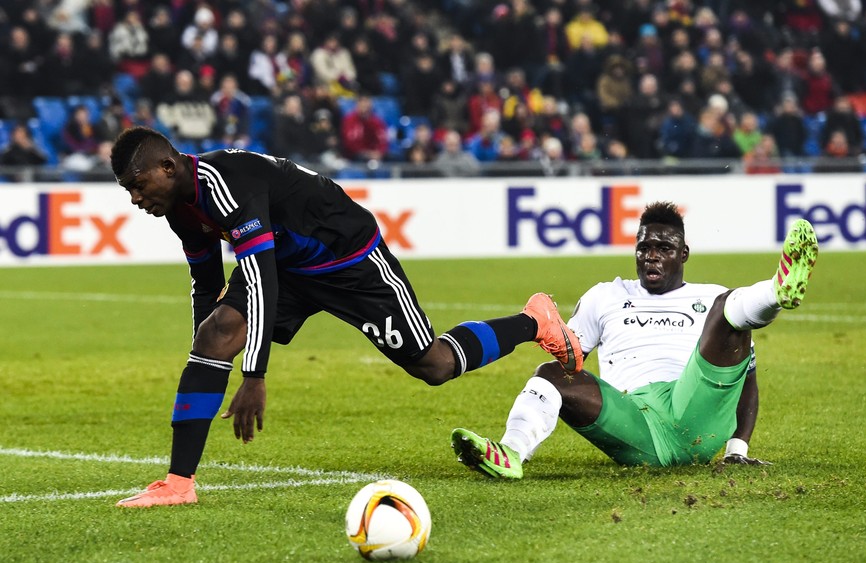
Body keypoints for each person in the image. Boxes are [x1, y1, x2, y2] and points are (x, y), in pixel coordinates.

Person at [110, 126, 582, 507]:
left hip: (348, 259)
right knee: (216, 333)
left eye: (137, 184)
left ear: (167, 167)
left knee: (433, 364)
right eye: (128, 190)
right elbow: (206, 283)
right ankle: (178, 482)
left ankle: (533, 321)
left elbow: (260, 278)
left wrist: (254, 374)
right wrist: (204, 354)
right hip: (290, 265)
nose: (134, 197)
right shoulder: (178, 208)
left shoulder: (225, 185)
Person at [451, 202, 819, 478]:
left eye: (664, 248)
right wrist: (540, 329)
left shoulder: (711, 297)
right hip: (633, 421)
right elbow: (569, 351)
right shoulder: (605, 296)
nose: (652, 256)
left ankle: (776, 291)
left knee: (729, 307)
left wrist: (736, 450)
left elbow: (746, 379)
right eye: (644, 248)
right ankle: (510, 454)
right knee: (550, 373)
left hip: (694, 410)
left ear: (684, 254)